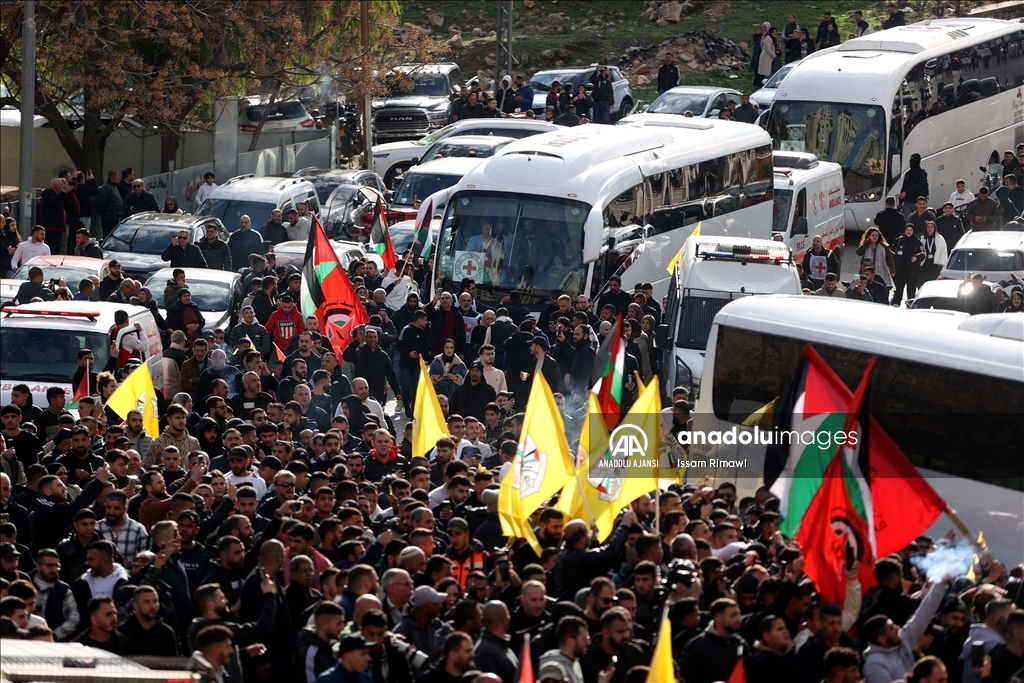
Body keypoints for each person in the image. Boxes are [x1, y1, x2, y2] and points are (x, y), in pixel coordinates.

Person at [891, 224, 925, 306]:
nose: (909, 232)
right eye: (907, 230)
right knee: (899, 288)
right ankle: (896, 302)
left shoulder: (917, 241)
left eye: (910, 230)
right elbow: (892, 252)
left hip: (912, 270)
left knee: (911, 289)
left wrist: (916, 258)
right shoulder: (899, 240)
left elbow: (922, 254)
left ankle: (910, 303)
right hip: (901, 269)